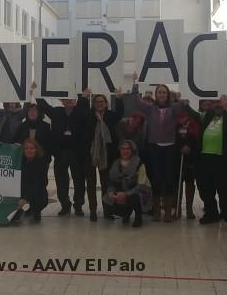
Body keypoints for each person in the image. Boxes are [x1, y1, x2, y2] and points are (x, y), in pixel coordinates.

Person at [130, 77, 183, 223]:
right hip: (154, 147)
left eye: (164, 92)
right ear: (156, 94)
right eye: (159, 92)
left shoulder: (174, 108)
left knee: (169, 179)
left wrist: (179, 95)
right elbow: (136, 101)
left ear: (168, 95)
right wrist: (135, 84)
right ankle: (157, 212)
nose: (161, 95)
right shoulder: (150, 108)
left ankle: (167, 212)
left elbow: (184, 103)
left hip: (170, 148)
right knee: (156, 178)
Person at [35, 87, 91, 217]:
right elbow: (43, 105)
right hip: (61, 152)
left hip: (77, 153)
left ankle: (78, 205)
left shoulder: (80, 111)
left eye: (71, 98)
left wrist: (84, 97)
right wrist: (37, 91)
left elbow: (86, 112)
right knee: (61, 181)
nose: (68, 100)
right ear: (61, 100)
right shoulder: (56, 112)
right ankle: (65, 205)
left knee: (79, 180)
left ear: (75, 99)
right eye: (65, 98)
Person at [197, 95, 227, 232]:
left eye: (220, 103)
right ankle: (211, 213)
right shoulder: (208, 117)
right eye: (215, 103)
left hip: (224, 159)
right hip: (206, 157)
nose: (218, 105)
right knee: (206, 188)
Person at [86, 91, 124, 221]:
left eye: (102, 102)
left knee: (106, 184)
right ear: (93, 104)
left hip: (107, 155)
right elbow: (80, 112)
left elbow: (120, 114)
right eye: (97, 102)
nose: (100, 104)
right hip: (90, 154)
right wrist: (83, 97)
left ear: (106, 104)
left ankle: (107, 211)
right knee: (91, 184)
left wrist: (119, 99)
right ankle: (92, 211)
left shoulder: (111, 116)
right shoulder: (89, 115)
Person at [103, 140, 150, 228]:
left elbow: (141, 184)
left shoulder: (139, 163)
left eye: (128, 149)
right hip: (120, 191)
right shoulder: (115, 163)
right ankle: (125, 214)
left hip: (136, 191)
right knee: (107, 199)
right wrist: (112, 193)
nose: (125, 151)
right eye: (123, 148)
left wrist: (126, 194)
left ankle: (138, 217)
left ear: (132, 150)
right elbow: (110, 180)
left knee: (134, 198)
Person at [175, 104, 202, 220]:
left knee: (190, 183)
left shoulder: (194, 123)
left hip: (191, 158)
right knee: (178, 184)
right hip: (177, 157)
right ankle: (178, 208)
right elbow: (171, 138)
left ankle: (189, 209)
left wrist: (189, 147)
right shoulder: (174, 123)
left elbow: (197, 138)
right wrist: (179, 147)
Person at [17, 138, 49, 223]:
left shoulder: (41, 163)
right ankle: (18, 211)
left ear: (36, 150)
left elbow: (42, 183)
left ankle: (34, 210)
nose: (29, 150)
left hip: (35, 192)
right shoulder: (19, 162)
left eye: (32, 148)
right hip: (21, 189)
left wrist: (25, 198)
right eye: (26, 148)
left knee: (40, 198)